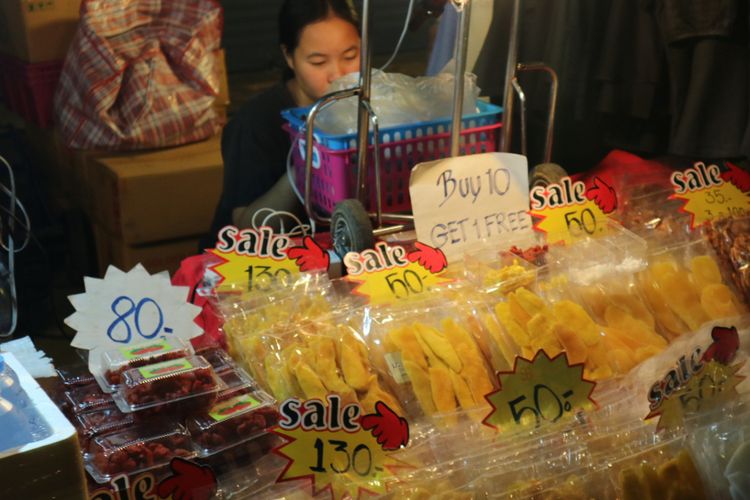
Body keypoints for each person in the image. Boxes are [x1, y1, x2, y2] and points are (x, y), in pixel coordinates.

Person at [202, 0, 361, 249]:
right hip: (255, 265)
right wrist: (307, 165)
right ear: (289, 56)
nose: (337, 74)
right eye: (318, 62)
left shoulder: (366, 111)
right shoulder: (256, 122)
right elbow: (246, 228)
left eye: (350, 56)